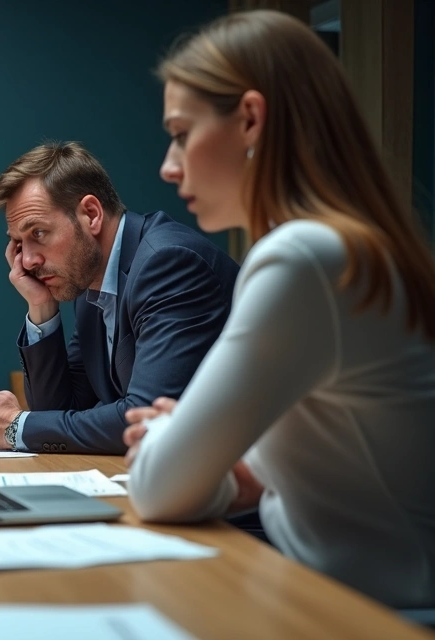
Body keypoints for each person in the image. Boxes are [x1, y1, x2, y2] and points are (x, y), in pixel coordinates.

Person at [124, 10, 435, 608]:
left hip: (377, 619)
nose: (168, 165)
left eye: (182, 133)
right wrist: (209, 466)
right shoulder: (348, 248)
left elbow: (163, 491)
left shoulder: (301, 259)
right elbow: (244, 481)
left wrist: (168, 431)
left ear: (249, 119)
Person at [0, 142, 239, 454]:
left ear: (91, 214)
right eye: (18, 243)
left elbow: (145, 420)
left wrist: (14, 425)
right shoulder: (91, 285)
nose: (28, 260)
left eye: (38, 233)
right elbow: (60, 409)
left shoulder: (168, 263)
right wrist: (41, 306)